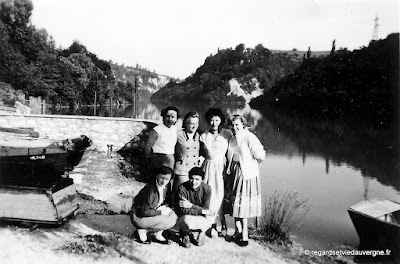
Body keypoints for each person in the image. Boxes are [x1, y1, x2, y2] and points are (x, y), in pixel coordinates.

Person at [226, 114, 266, 247]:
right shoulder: (232, 139)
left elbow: (260, 155)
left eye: (237, 125)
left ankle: (244, 235)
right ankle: (238, 231)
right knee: (235, 203)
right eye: (232, 125)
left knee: (242, 204)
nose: (234, 127)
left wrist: (251, 166)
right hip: (234, 172)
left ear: (243, 124)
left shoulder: (249, 137)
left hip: (246, 174)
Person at [199, 108, 231, 237]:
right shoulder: (204, 136)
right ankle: (210, 225)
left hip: (221, 169)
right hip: (208, 168)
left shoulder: (227, 134)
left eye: (217, 120)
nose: (214, 123)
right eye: (211, 120)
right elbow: (202, 154)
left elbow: (232, 151)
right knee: (209, 196)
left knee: (221, 196)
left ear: (221, 121)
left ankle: (222, 223)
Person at [130, 166, 177, 244]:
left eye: (167, 179)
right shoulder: (151, 189)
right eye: (162, 178)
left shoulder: (165, 187)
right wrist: (160, 212)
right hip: (139, 217)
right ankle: (143, 230)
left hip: (150, 213)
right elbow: (145, 212)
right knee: (169, 219)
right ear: (156, 176)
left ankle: (157, 233)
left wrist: (165, 207)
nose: (164, 181)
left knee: (172, 216)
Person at [176, 167, 215, 248]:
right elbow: (183, 210)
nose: (194, 182)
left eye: (197, 179)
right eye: (192, 178)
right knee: (185, 219)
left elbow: (205, 208)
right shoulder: (182, 188)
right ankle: (185, 234)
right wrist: (202, 211)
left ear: (202, 180)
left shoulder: (207, 189)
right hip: (187, 215)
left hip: (200, 216)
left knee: (209, 217)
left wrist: (191, 206)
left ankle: (202, 232)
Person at [144, 106, 179, 177]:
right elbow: (147, 148)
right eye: (167, 116)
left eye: (173, 117)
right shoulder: (157, 130)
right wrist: (148, 161)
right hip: (158, 160)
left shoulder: (175, 130)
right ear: (163, 117)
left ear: (176, 119)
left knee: (167, 181)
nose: (170, 119)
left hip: (170, 160)